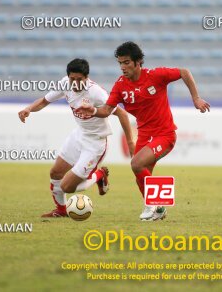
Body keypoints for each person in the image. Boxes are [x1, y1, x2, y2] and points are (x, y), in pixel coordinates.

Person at [76, 41, 210, 221]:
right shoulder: (121, 85)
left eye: (126, 63)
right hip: (145, 135)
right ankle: (158, 209)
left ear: (138, 62)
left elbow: (184, 72)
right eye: (120, 63)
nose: (123, 67)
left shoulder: (155, 75)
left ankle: (155, 205)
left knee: (136, 164)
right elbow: (107, 110)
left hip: (165, 134)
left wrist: (196, 98)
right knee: (141, 174)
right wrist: (92, 110)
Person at [18, 58, 135, 217]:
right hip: (79, 135)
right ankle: (61, 210)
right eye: (73, 79)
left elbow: (121, 113)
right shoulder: (65, 84)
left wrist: (129, 141)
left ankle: (99, 175)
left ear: (86, 78)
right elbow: (45, 101)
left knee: (67, 187)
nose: (76, 83)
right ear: (68, 77)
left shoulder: (96, 93)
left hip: (95, 143)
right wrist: (29, 109)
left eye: (80, 79)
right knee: (55, 173)